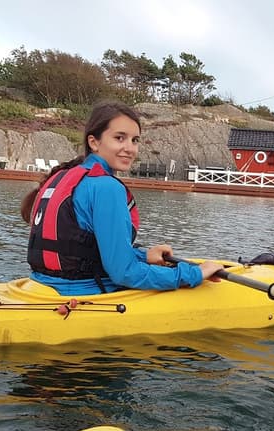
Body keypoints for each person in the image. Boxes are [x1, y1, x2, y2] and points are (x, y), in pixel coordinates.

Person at [20, 101, 223, 295]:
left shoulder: (62, 175)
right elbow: (125, 273)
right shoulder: (106, 187)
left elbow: (87, 249)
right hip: (83, 292)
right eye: (119, 138)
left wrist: (144, 256)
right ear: (94, 142)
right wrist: (195, 274)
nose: (130, 148)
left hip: (42, 286)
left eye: (135, 140)